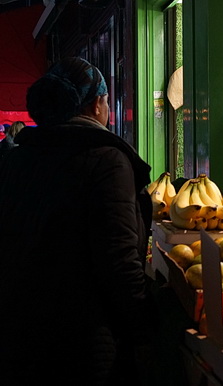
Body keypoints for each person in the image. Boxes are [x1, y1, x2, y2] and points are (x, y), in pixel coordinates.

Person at [0, 57, 157, 385]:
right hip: (83, 344)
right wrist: (145, 333)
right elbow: (119, 262)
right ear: (98, 104)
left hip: (17, 334)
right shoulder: (106, 161)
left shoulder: (18, 159)